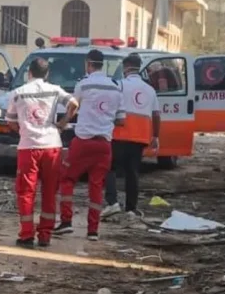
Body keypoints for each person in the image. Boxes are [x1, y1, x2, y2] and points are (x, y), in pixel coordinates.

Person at [6, 57, 79, 248]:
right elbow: (74, 104)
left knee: (26, 192)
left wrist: (23, 131)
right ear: (47, 74)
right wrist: (61, 124)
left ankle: (26, 234)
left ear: (29, 73)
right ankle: (45, 235)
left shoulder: (18, 93)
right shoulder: (54, 89)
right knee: (50, 191)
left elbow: (10, 121)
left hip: (28, 147)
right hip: (52, 146)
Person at [55, 49, 124, 241]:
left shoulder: (83, 84)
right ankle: (93, 231)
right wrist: (104, 119)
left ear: (88, 64)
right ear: (103, 64)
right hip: (104, 145)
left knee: (67, 179)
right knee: (96, 185)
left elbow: (73, 107)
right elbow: (121, 120)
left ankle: (66, 222)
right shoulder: (115, 87)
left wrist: (62, 124)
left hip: (83, 142)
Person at [101, 53, 160, 219]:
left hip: (119, 135)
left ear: (125, 67)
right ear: (139, 67)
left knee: (110, 168)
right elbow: (156, 115)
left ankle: (112, 202)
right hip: (140, 137)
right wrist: (155, 136)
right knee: (132, 172)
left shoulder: (119, 85)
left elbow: (109, 106)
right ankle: (131, 209)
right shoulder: (150, 90)